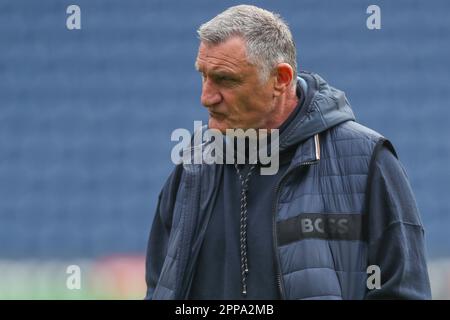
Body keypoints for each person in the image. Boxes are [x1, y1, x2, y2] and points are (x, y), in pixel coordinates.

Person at [145, 5, 431, 300]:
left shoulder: (366, 159)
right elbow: (160, 288)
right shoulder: (193, 165)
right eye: (203, 75)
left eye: (225, 79)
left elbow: (403, 291)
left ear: (281, 79)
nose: (206, 97)